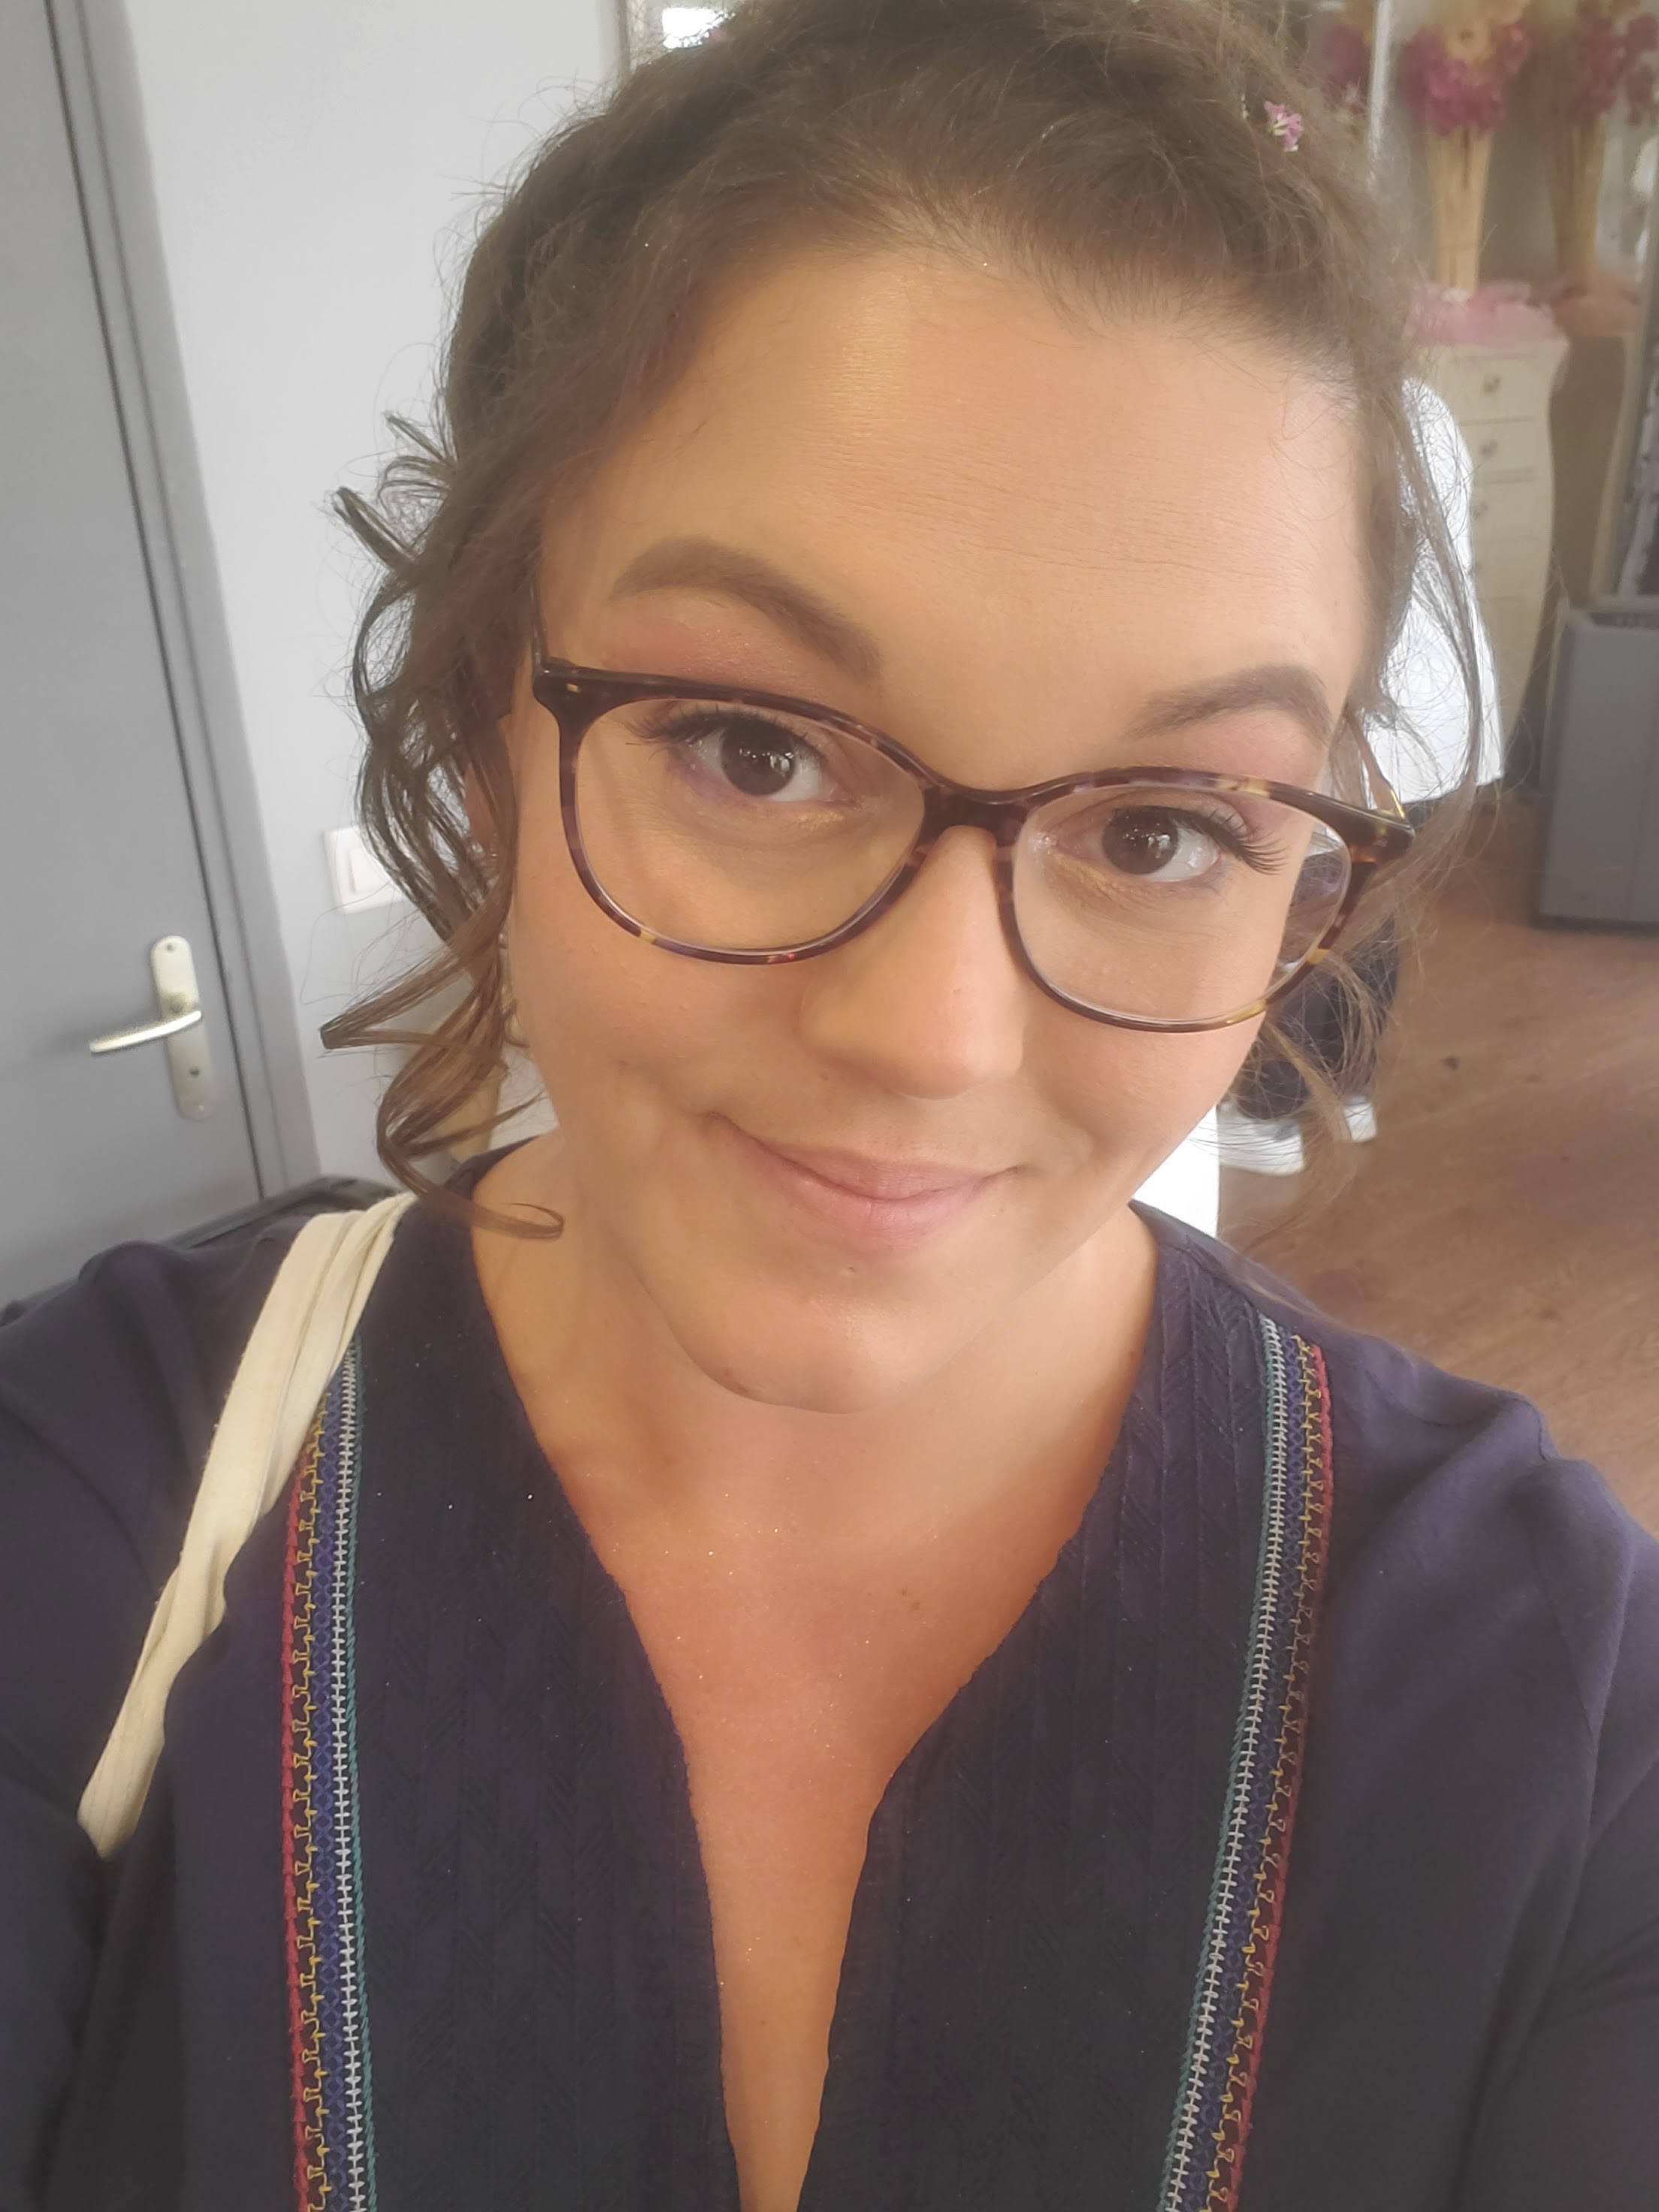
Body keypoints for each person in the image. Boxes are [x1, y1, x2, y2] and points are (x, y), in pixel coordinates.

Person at [3, 3, 1655, 2207]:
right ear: (486, 720)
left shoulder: (1552, 1698)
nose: (932, 1038)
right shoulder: (95, 1510)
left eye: (1161, 826)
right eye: (754, 748)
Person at [1216, 379, 1506, 1174]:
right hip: (1436, 715)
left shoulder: (1317, 401)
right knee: (1372, 914)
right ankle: (1348, 1091)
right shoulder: (1423, 402)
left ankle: (1268, 1114)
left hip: (1379, 715)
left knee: (1302, 920)